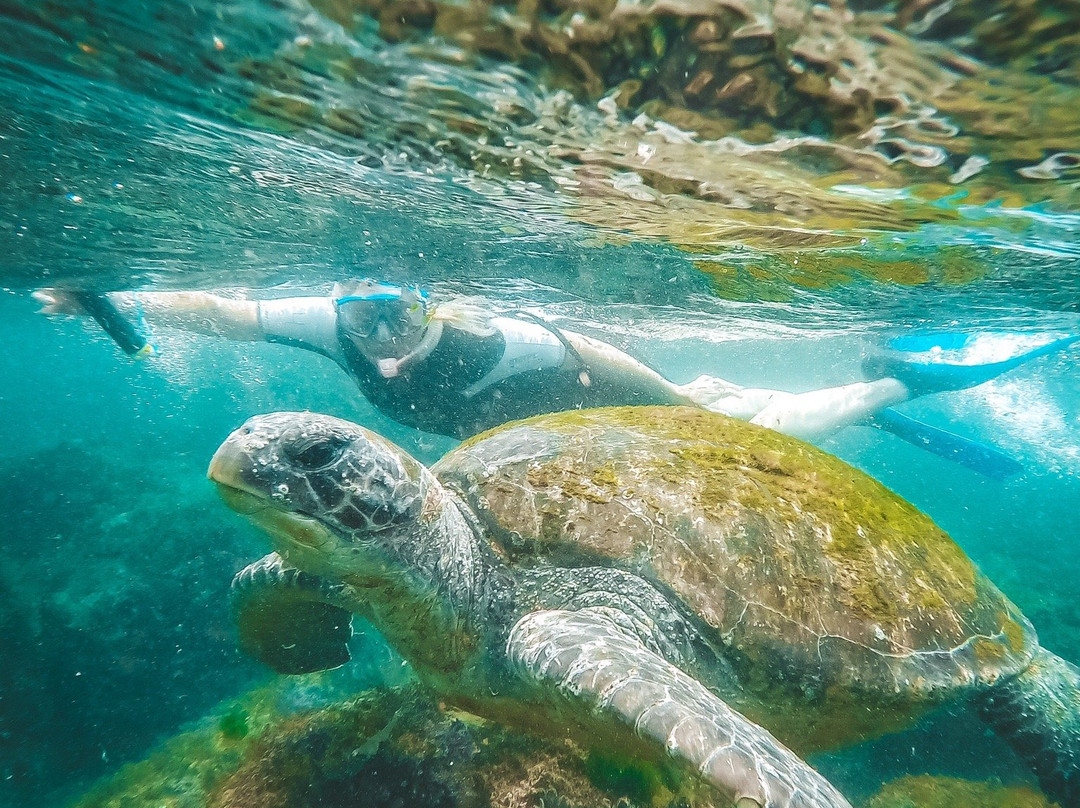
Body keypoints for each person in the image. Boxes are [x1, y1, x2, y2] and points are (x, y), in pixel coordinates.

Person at [31, 281, 1054, 448]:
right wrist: (102, 289)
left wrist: (675, 415)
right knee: (701, 400)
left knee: (720, 422)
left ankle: (890, 382)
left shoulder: (504, 341)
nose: (380, 340)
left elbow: (603, 364)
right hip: (544, 425)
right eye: (363, 317)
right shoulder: (327, 321)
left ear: (437, 306)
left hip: (595, 388)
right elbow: (212, 308)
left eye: (401, 315)